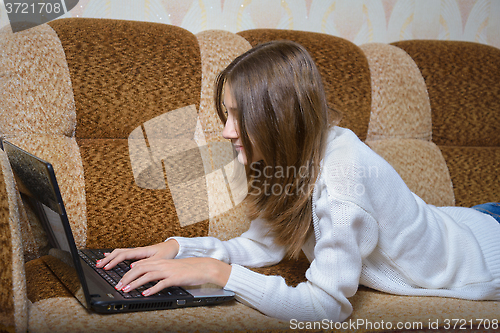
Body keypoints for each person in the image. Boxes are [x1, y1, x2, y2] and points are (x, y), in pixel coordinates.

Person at [96, 41, 500, 322]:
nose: (226, 132)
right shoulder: (294, 159)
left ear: (279, 118)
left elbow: (326, 309)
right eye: (227, 116)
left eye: (239, 116)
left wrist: (218, 274)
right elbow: (261, 244)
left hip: (487, 254)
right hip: (469, 219)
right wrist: (177, 249)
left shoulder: (342, 185)